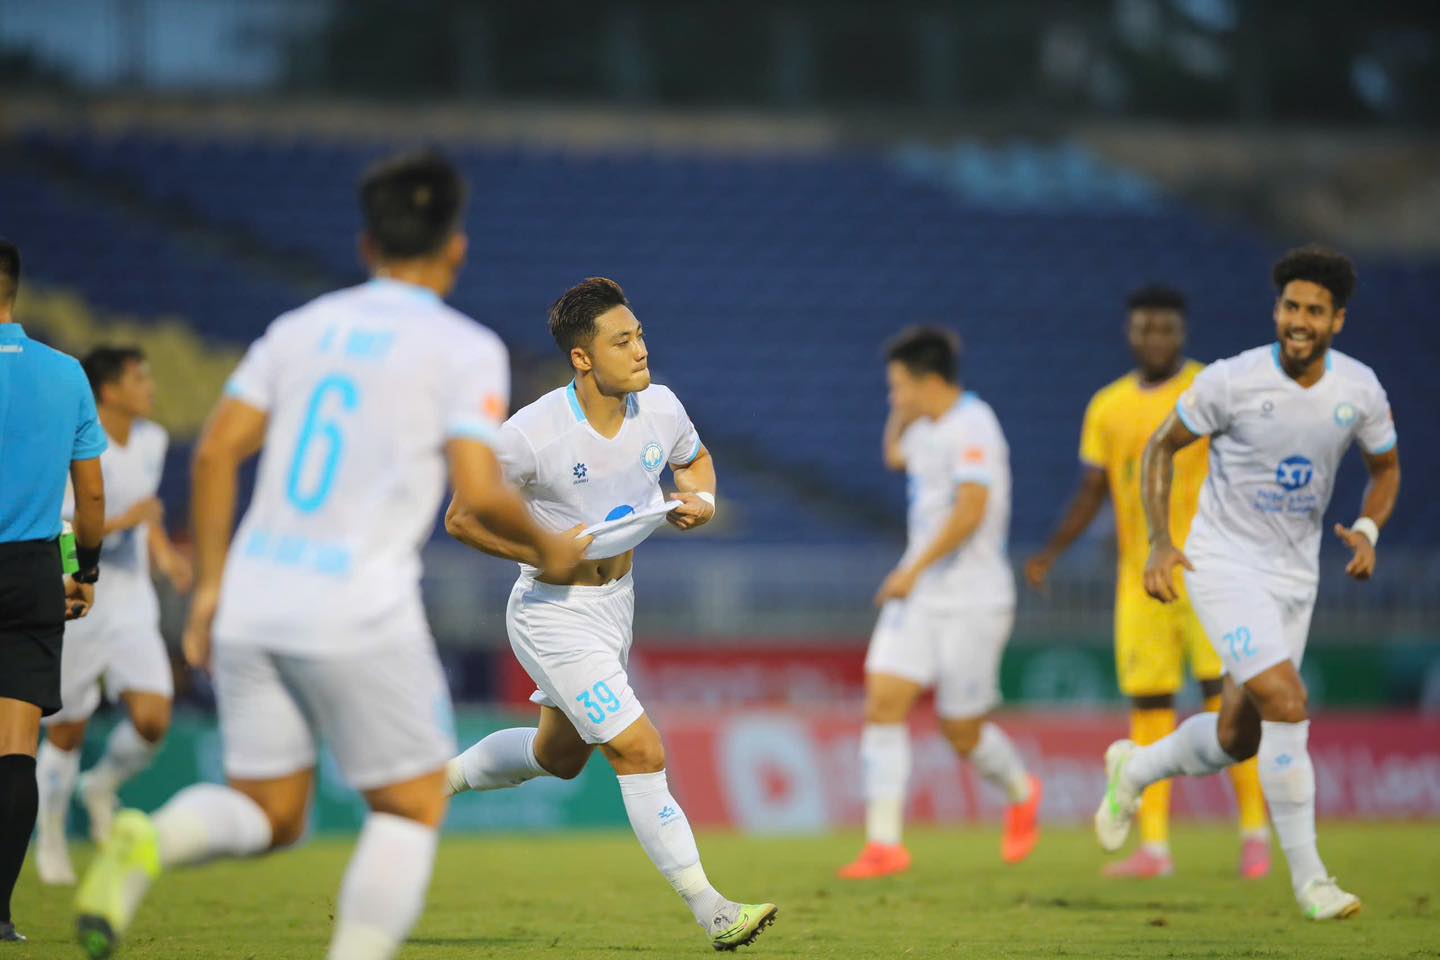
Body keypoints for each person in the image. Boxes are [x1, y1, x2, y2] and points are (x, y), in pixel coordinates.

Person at [74, 151, 582, 960]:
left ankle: (151, 842)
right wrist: (557, 548)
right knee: (412, 804)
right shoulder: (464, 347)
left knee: (272, 813)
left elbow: (212, 455)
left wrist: (208, 593)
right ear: (456, 247)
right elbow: (481, 494)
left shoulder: (299, 329)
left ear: (364, 244)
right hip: (357, 604)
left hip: (253, 603)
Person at [443, 277, 777, 952]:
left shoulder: (661, 408)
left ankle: (434, 782)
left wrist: (701, 502)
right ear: (583, 358)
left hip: (616, 604)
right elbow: (461, 517)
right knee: (638, 747)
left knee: (558, 756)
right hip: (552, 610)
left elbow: (696, 462)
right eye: (622, 341)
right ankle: (713, 909)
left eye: (641, 335)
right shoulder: (533, 435)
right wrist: (541, 550)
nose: (640, 350)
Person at [1094, 245, 1401, 920]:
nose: (1299, 320)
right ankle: (1312, 880)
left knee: (1241, 735)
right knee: (1288, 703)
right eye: (1290, 306)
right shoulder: (1231, 382)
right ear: (1277, 309)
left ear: (1337, 321)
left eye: (1314, 311)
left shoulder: (1359, 391)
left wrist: (1369, 531)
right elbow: (1161, 447)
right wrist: (1162, 543)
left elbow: (1386, 469)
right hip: (1223, 565)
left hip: (1295, 577)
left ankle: (1135, 770)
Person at [1026, 287, 1269, 879]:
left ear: (1181, 333)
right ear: (1129, 333)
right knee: (1149, 709)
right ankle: (1156, 848)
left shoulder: (1211, 387)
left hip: (1210, 575)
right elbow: (1092, 489)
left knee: (1229, 709)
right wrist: (1053, 551)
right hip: (1139, 583)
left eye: (1165, 328)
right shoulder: (1106, 406)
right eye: (1143, 328)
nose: (1154, 338)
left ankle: (1255, 835)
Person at [838, 327, 1041, 880]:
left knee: (962, 732)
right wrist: (902, 408)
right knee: (883, 699)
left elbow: (971, 511)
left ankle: (1022, 791)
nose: (893, 397)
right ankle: (885, 844)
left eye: (899, 386)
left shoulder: (975, 426)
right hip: (922, 596)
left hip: (973, 599)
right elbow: (893, 456)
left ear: (930, 381)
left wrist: (912, 569)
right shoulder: (924, 425)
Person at [34, 347, 193, 886]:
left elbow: (148, 512)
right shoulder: (76, 439)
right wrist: (91, 566)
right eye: (139, 377)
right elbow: (64, 526)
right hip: (82, 591)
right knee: (67, 728)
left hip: (133, 599)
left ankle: (99, 786)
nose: (150, 385)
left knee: (153, 718)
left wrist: (165, 554)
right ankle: (50, 835)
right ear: (109, 390)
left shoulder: (153, 439)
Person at [0, 237, 107, 943]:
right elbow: (91, 496)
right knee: (16, 747)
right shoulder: (66, 373)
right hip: (32, 572)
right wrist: (85, 569)